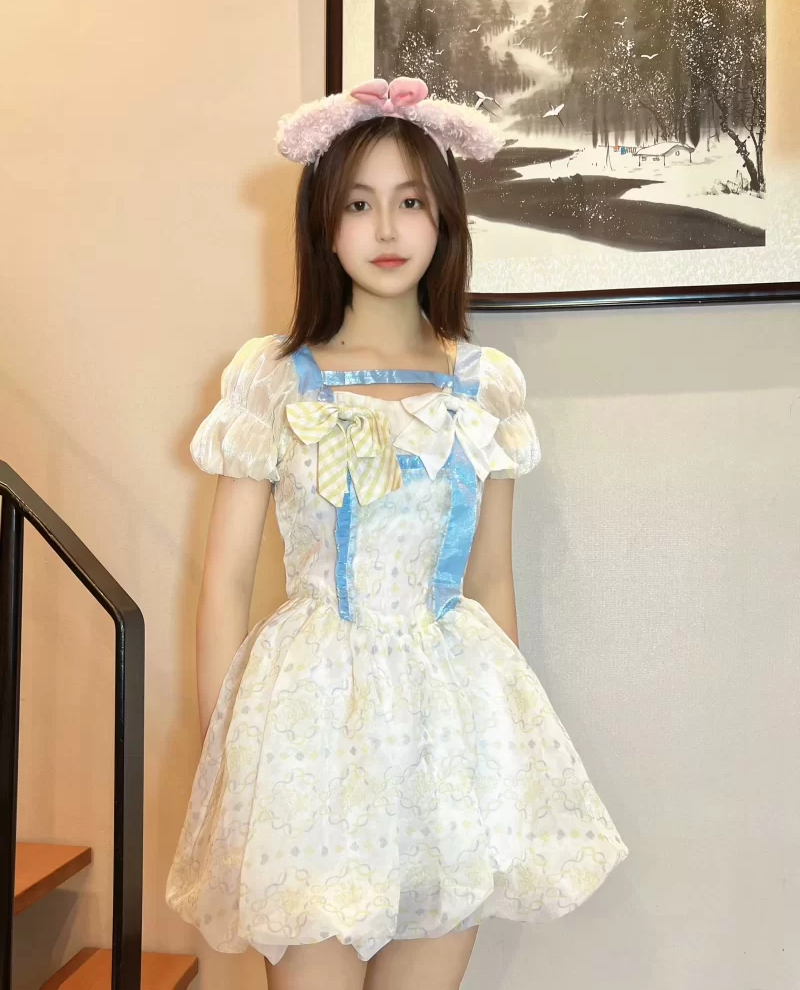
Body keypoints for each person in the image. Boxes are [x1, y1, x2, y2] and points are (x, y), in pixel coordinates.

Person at [165, 77, 629, 990]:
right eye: (358, 204)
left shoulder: (487, 383)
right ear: (324, 225)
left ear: (444, 217)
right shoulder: (273, 378)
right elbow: (224, 583)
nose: (386, 228)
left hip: (443, 736)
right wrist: (230, 759)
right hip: (307, 733)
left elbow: (489, 582)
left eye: (410, 202)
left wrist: (500, 749)